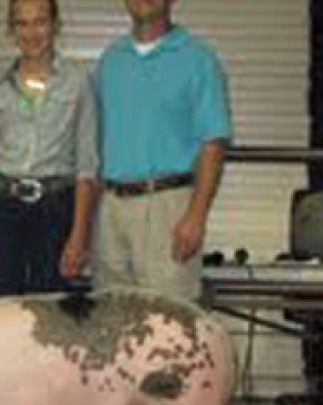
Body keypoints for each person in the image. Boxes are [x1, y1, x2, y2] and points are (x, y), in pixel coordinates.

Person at [94, 0, 232, 301]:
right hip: (111, 209)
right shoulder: (110, 60)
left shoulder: (198, 60)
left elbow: (214, 144)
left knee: (168, 327)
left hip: (168, 209)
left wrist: (196, 216)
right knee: (111, 323)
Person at [0, 0, 99, 300]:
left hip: (55, 209)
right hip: (3, 209)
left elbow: (87, 167)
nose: (31, 32)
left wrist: (79, 235)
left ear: (56, 26)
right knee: (0, 308)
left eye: (40, 22)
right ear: (11, 30)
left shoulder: (79, 83)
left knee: (51, 314)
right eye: (22, 23)